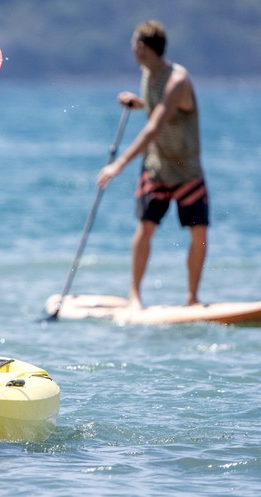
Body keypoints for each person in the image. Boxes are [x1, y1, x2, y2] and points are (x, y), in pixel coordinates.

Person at [97, 20, 209, 309]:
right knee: (145, 229)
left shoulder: (177, 80)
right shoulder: (148, 73)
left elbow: (156, 125)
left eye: (134, 43)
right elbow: (160, 107)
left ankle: (192, 298)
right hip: (157, 168)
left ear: (142, 47)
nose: (132, 49)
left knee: (199, 234)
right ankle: (134, 295)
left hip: (187, 171)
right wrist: (139, 104)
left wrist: (117, 165)